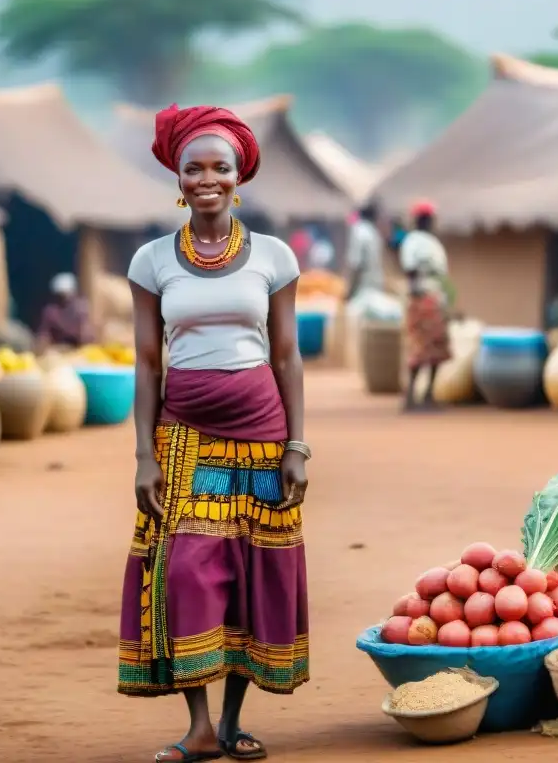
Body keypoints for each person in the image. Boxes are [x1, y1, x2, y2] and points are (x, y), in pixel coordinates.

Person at [119, 103, 310, 763]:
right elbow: (148, 361)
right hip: (185, 434)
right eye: (193, 168)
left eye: (219, 167)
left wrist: (298, 445)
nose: (207, 178)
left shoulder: (275, 257)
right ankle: (197, 726)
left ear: (239, 177)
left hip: (262, 435)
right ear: (177, 178)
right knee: (189, 572)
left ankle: (230, 722)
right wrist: (143, 453)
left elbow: (286, 355)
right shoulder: (151, 261)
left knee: (252, 571)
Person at [398, 201, 452, 411]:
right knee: (421, 347)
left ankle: (428, 394)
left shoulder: (431, 243)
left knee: (437, 347)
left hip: (435, 297)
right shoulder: (414, 242)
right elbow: (410, 269)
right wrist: (418, 294)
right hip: (423, 297)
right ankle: (411, 396)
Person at [34, 272, 94, 353]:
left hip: (80, 350)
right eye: (61, 295)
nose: (65, 298)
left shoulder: (81, 308)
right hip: (58, 350)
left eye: (67, 294)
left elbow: (86, 333)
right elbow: (44, 334)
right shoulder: (51, 311)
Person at [344, 202, 384, 301]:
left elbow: (356, 265)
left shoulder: (359, 231)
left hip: (362, 292)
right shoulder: (374, 233)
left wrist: (349, 292)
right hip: (376, 289)